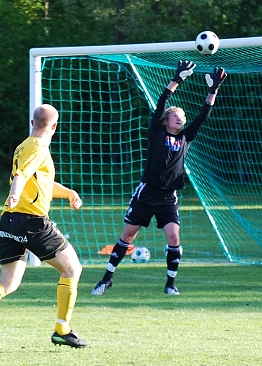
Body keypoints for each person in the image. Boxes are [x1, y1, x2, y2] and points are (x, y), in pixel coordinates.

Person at [0, 104, 87, 352]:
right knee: (72, 269)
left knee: (9, 281)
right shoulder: (39, 147)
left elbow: (39, 181)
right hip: (32, 221)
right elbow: (22, 176)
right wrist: (15, 194)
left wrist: (68, 192)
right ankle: (62, 330)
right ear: (55, 127)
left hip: (9, 220)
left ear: (31, 123)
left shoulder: (23, 146)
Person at [91, 60, 227, 296]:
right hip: (147, 192)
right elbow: (162, 102)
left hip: (168, 196)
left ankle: (170, 284)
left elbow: (204, 115)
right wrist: (177, 80)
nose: (179, 119)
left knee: (174, 236)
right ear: (165, 120)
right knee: (128, 235)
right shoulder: (157, 131)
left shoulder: (185, 137)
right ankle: (107, 278)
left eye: (181, 117)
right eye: (175, 116)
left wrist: (212, 90)